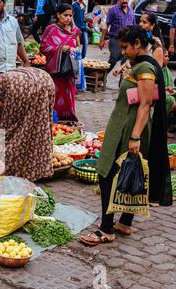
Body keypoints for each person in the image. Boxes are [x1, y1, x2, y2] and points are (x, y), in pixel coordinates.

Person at [79, 26, 173, 246]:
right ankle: (125, 222)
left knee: (107, 173)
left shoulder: (146, 68)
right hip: (126, 124)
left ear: (137, 44)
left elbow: (146, 103)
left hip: (128, 127)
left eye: (125, 47)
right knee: (129, 173)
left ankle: (106, 228)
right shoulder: (139, 65)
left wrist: (135, 137)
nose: (122, 52)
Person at [0, 67, 55, 181]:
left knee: (9, 133)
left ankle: (9, 170)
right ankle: (36, 171)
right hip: (45, 80)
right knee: (39, 127)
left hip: (20, 86)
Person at [40, 4, 81, 121]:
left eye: (70, 15)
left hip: (70, 70)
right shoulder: (51, 29)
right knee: (55, 95)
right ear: (58, 15)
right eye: (65, 15)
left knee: (69, 94)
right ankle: (53, 119)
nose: (68, 18)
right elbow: (43, 47)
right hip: (56, 71)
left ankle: (68, 119)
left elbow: (77, 45)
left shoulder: (73, 29)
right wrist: (60, 48)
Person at [99, 0, 135, 73]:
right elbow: (106, 25)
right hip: (115, 39)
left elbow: (133, 26)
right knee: (114, 58)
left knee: (125, 63)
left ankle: (122, 82)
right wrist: (102, 40)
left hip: (127, 41)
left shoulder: (131, 11)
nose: (125, 1)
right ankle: (103, 75)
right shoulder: (113, 10)